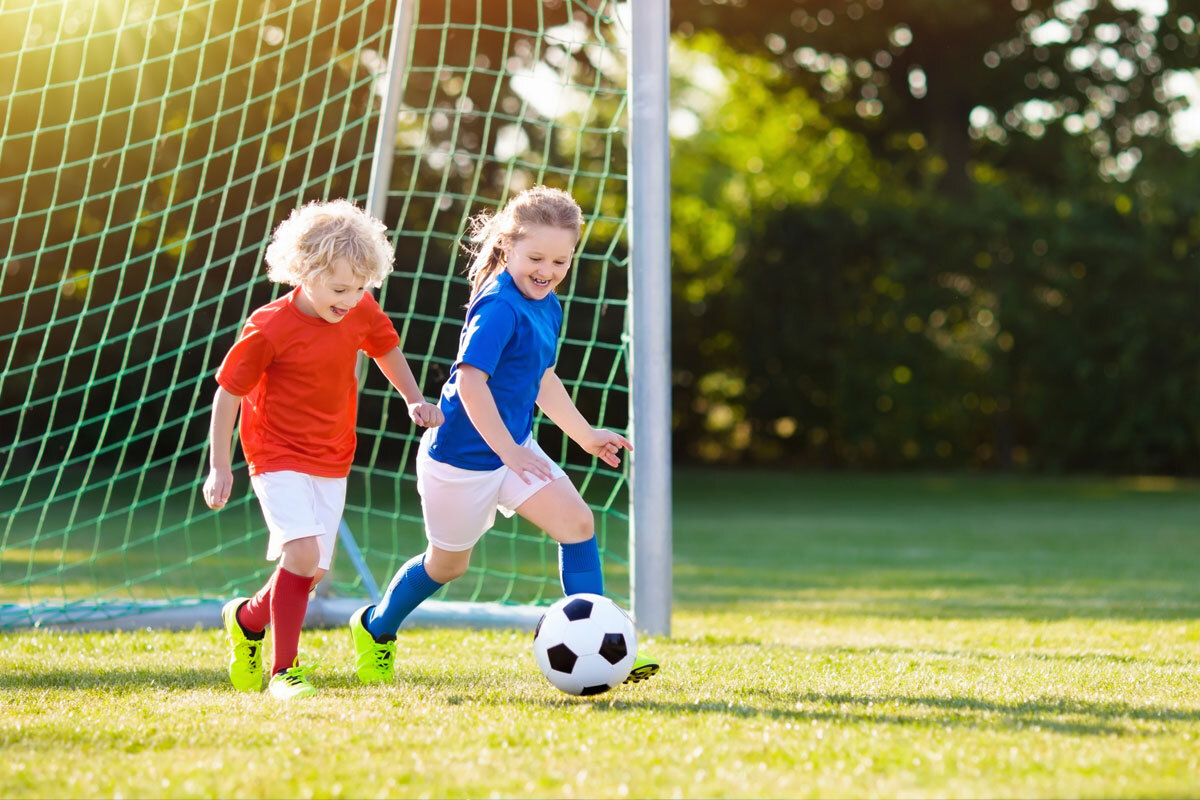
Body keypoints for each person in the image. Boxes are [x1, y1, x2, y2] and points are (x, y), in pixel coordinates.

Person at [347, 185, 659, 686]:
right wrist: (509, 451)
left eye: (560, 260)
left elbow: (542, 378)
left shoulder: (547, 303)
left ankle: (605, 648)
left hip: (513, 451)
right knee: (447, 566)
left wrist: (583, 435)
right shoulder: (497, 305)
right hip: (461, 461)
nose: (547, 270)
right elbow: (471, 382)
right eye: (535, 256)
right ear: (507, 247)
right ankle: (376, 627)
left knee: (578, 524)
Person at [202, 199, 443, 700]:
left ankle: (247, 620)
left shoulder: (359, 308)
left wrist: (414, 398)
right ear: (304, 272)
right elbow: (228, 393)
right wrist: (219, 467)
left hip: (333, 454)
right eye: (340, 288)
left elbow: (384, 347)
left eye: (360, 288)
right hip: (274, 452)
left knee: (311, 571)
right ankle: (283, 673)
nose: (351, 298)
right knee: (302, 553)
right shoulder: (269, 327)